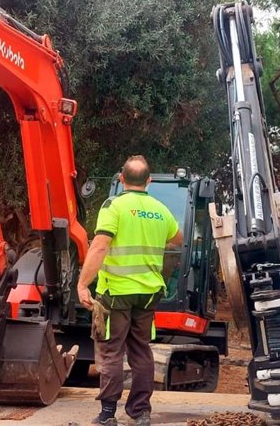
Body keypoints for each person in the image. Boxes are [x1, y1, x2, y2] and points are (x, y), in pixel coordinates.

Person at [77, 155, 183, 426]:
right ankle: (140, 411)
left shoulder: (114, 206)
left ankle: (107, 414)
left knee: (112, 351)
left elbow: (100, 245)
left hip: (117, 293)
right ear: (149, 181)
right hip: (148, 294)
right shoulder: (161, 210)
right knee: (141, 350)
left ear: (122, 179)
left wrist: (82, 284)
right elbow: (177, 239)